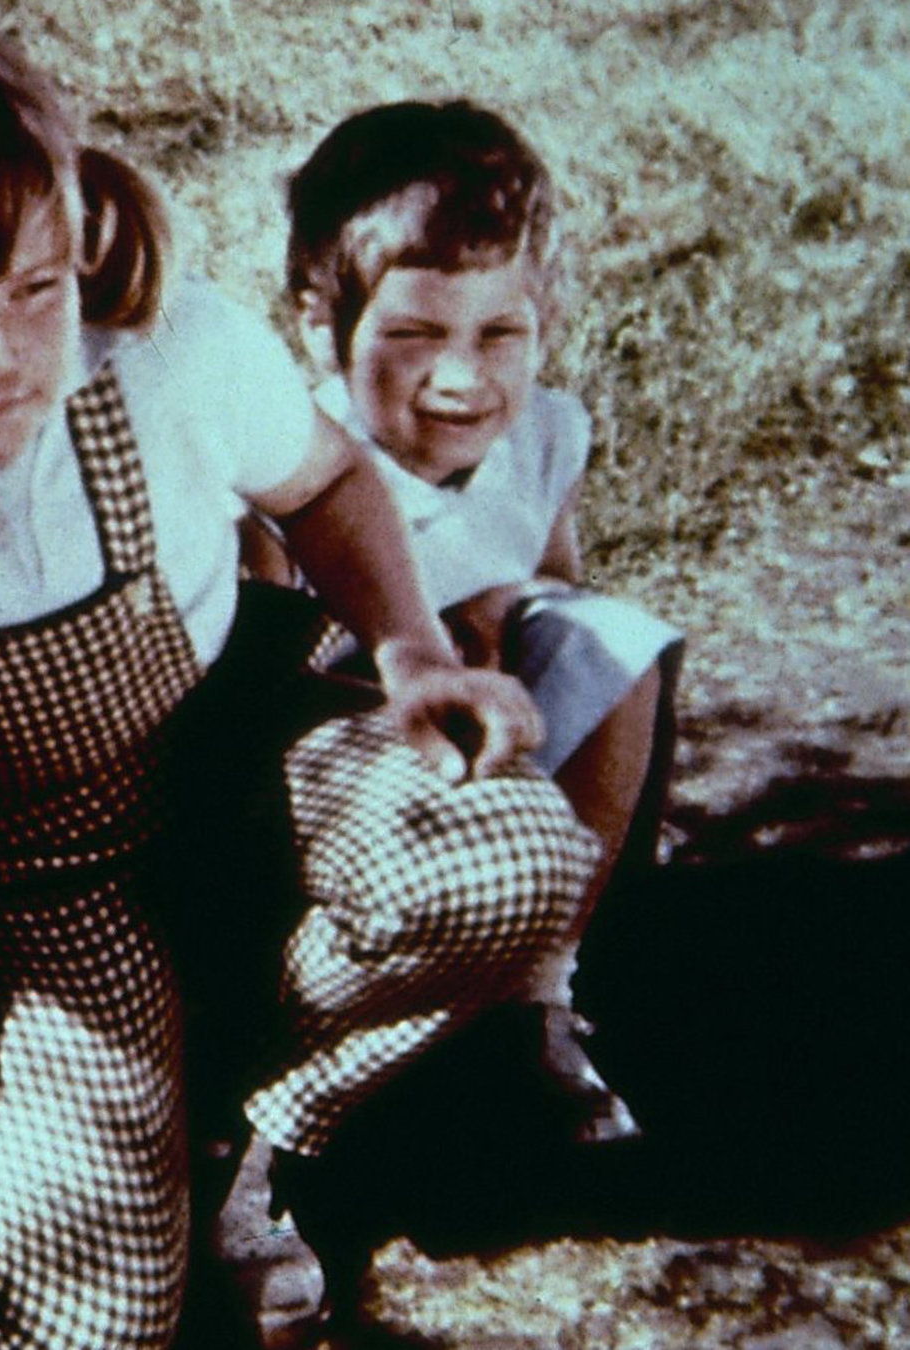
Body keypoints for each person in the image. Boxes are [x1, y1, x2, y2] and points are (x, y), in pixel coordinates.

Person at [0, 16, 601, 1349]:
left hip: (215, 783)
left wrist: (408, 647)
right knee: (104, 1309)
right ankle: (18, 1156)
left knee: (508, 854)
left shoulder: (159, 351)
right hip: (9, 897)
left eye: (30, 291)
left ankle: (240, 1140)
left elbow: (329, 481)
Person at [278, 99, 685, 1146]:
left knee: (612, 644)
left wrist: (516, 623)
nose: (461, 379)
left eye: (498, 333)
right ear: (316, 319)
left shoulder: (545, 431)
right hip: (358, 780)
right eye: (412, 336)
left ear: (542, 312)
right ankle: (305, 1069)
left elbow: (557, 591)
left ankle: (535, 994)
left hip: (502, 750)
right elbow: (268, 677)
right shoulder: (299, 458)